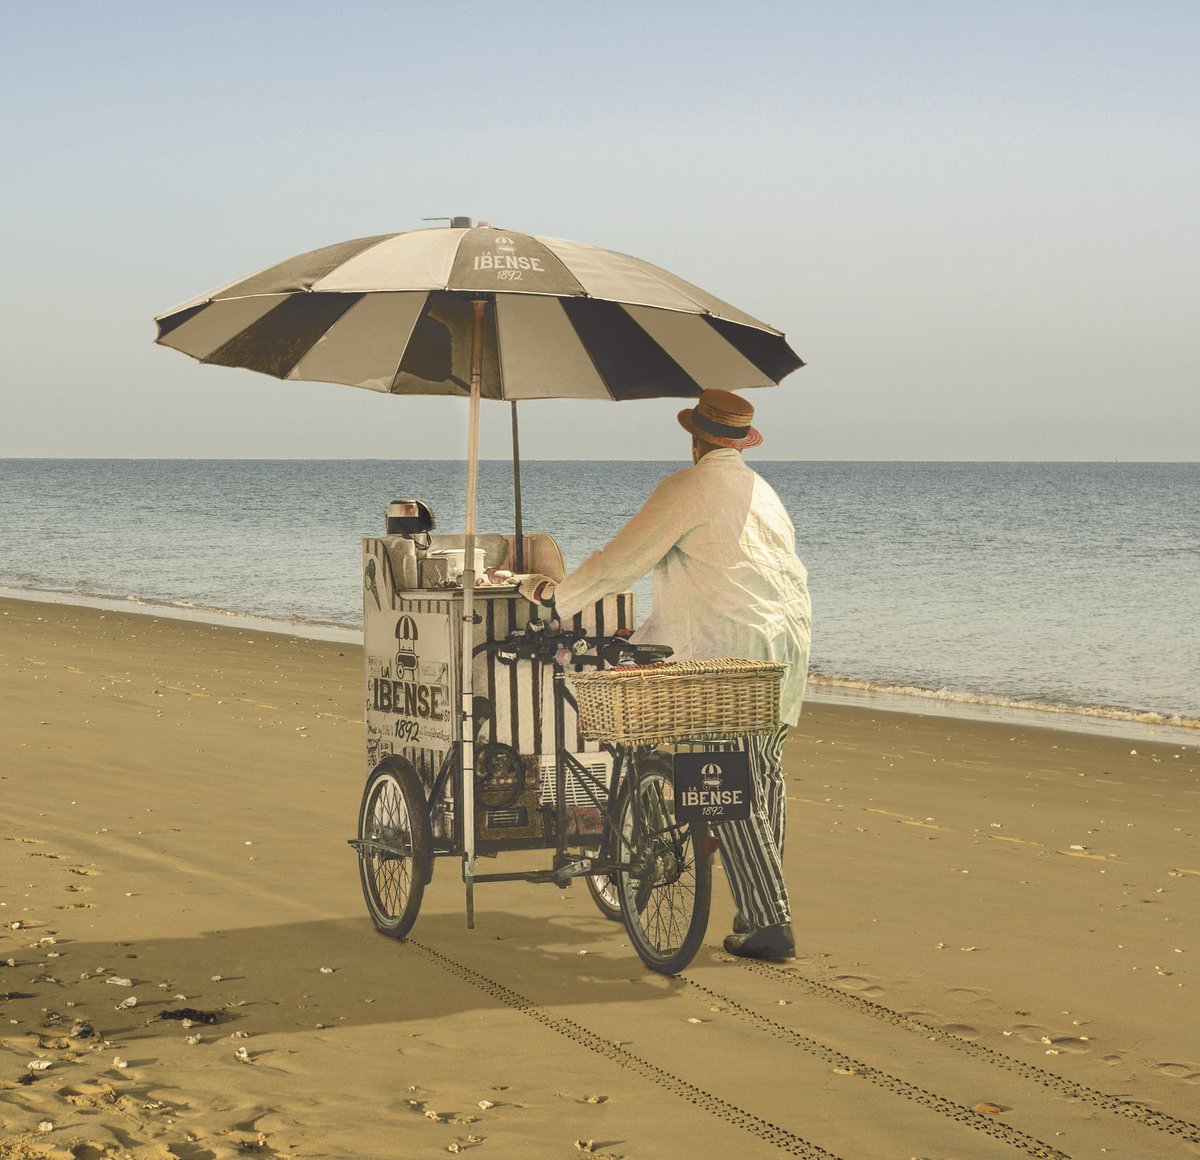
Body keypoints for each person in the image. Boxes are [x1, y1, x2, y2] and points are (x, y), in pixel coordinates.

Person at [518, 389, 811, 961]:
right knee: (761, 775)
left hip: (728, 651)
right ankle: (757, 909)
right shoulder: (763, 491)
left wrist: (555, 595)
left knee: (721, 780)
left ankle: (771, 921)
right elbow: (715, 579)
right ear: (739, 439)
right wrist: (648, 632)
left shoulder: (688, 487)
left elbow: (621, 562)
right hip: (784, 646)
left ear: (696, 437)